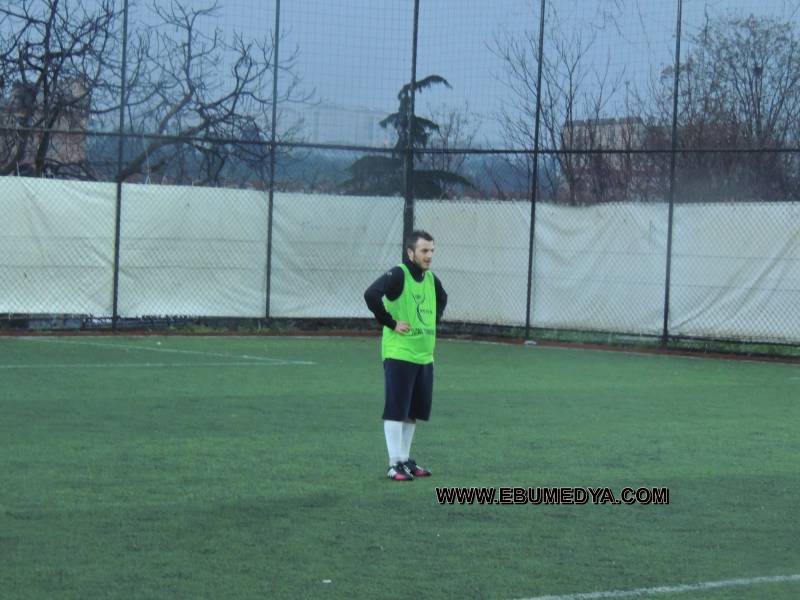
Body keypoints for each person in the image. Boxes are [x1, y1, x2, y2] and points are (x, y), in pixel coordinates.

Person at [364, 230, 448, 481]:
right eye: (424, 251)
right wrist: (390, 322)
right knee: (396, 409)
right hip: (399, 353)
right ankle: (393, 464)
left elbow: (442, 298)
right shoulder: (399, 274)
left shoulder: (430, 279)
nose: (429, 255)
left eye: (432, 250)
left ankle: (404, 460)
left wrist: (433, 321)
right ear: (411, 253)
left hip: (424, 356)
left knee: (412, 411)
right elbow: (371, 294)